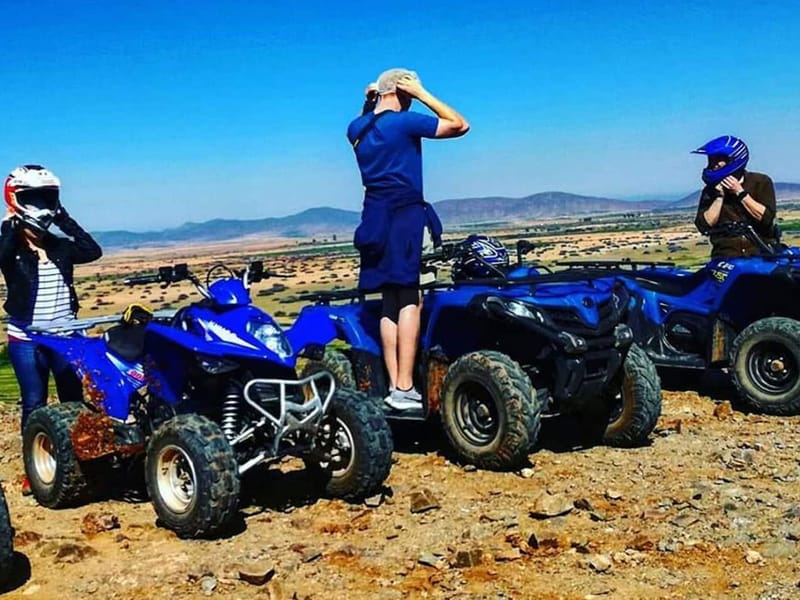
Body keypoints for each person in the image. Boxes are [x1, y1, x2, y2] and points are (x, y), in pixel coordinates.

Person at [347, 68, 469, 411]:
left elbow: (362, 123)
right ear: (403, 89)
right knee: (410, 300)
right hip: (404, 218)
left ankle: (393, 387)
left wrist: (368, 102)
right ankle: (404, 388)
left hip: (373, 217)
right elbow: (460, 124)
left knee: (388, 301)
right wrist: (424, 93)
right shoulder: (405, 123)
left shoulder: (357, 128)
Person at [0, 165, 102, 494]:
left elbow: (92, 250)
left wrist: (63, 217)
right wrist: (10, 225)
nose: (42, 206)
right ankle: (37, 469)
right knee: (34, 402)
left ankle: (79, 461)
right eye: (35, 198)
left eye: (47, 198)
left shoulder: (60, 247)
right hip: (26, 339)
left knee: (73, 399)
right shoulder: (12, 250)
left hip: (66, 337)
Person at [692, 136, 777, 258]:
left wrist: (740, 193)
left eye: (718, 160)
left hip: (761, 255)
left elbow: (766, 218)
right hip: (725, 257)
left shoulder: (761, 181)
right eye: (711, 160)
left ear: (734, 159)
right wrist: (718, 197)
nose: (713, 165)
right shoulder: (710, 190)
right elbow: (703, 226)